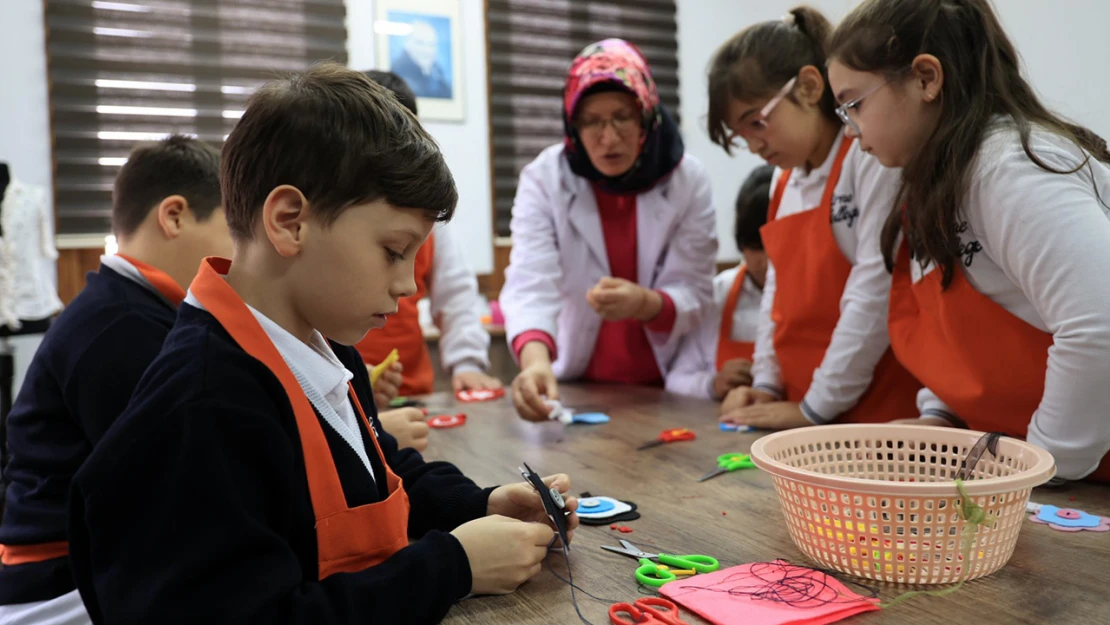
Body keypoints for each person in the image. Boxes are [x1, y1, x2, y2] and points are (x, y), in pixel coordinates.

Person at [67, 64, 579, 625]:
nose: (410, 284)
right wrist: (450, 566)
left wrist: (478, 504)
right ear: (290, 223)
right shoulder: (204, 405)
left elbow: (378, 469)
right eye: (393, 250)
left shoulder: (321, 350)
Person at [826, 0, 1110, 481]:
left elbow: (1099, 324)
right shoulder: (936, 179)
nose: (851, 131)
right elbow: (967, 325)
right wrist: (942, 419)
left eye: (854, 105)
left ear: (926, 78)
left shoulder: (1008, 168)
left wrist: (1042, 467)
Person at [0, 135, 232, 625]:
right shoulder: (120, 329)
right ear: (174, 216)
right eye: (232, 228)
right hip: (60, 588)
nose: (241, 252)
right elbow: (189, 480)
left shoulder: (132, 311)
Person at [709, 7, 920, 431]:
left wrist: (815, 408)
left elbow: (872, 296)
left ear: (808, 86)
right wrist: (767, 385)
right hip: (805, 418)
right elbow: (777, 295)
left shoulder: (870, 157)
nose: (753, 145)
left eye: (757, 123)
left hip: (877, 416)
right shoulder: (781, 181)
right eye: (740, 134)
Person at [500, 38, 717, 421]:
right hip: (577, 383)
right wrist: (535, 363)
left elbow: (696, 291)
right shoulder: (545, 179)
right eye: (592, 121)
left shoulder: (687, 180)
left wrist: (644, 303)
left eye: (622, 116)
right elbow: (531, 284)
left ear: (646, 112)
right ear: (572, 123)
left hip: (669, 385)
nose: (609, 137)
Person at [356, 70, 502, 401]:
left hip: (412, 392)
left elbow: (457, 297)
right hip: (345, 396)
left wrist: (467, 363)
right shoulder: (343, 221)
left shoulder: (431, 222)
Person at [666, 165, 773, 400]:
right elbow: (676, 379)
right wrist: (713, 383)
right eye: (756, 247)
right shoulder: (717, 294)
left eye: (777, 249)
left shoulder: (821, 296)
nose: (767, 262)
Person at [391, 20, 451, 99]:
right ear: (407, 44)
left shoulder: (439, 77)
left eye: (431, 45)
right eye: (420, 43)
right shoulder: (397, 76)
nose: (427, 50)